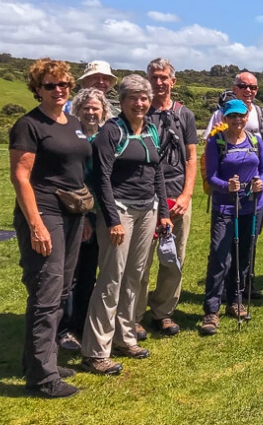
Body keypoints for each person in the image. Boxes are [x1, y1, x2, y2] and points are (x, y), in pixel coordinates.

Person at [9, 59, 92, 398]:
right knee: (46, 291)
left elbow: (75, 170)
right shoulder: (29, 125)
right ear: (37, 89)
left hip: (73, 214)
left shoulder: (71, 122)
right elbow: (20, 176)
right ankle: (43, 379)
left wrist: (83, 218)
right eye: (50, 85)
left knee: (60, 290)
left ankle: (40, 361)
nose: (59, 91)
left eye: (64, 85)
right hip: (44, 213)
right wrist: (36, 225)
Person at [81, 75, 172, 374]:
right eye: (133, 97)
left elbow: (157, 172)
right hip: (119, 209)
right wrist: (112, 219)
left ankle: (125, 337)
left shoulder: (151, 130)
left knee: (135, 276)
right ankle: (96, 351)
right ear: (121, 102)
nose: (140, 102)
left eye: (144, 97)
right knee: (111, 279)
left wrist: (163, 212)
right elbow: (101, 178)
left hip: (148, 209)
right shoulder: (111, 131)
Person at [135, 58, 198, 338]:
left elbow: (192, 157)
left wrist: (187, 194)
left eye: (163, 77)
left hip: (176, 195)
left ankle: (163, 312)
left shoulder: (185, 115)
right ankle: (134, 315)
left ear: (173, 81)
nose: (159, 82)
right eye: (154, 77)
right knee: (141, 259)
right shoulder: (139, 112)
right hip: (145, 196)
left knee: (173, 258)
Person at [200, 99, 263, 335]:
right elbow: (211, 177)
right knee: (220, 256)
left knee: (243, 256)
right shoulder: (216, 142)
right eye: (232, 117)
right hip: (225, 208)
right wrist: (225, 186)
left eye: (240, 116)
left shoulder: (254, 140)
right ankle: (211, 309)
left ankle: (235, 301)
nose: (237, 120)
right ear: (225, 118)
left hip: (252, 206)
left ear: (246, 117)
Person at [57, 88, 113, 351]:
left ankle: (82, 325)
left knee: (90, 272)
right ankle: (66, 329)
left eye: (96, 108)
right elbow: (73, 180)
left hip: (101, 215)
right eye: (86, 108)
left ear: (104, 111)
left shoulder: (105, 137)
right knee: (72, 274)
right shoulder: (71, 137)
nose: (91, 112)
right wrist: (85, 218)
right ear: (77, 110)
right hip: (77, 215)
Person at [203, 71, 263, 199]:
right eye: (243, 86)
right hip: (225, 183)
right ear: (235, 89)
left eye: (252, 87)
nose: (248, 90)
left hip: (255, 183)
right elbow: (208, 147)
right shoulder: (219, 115)